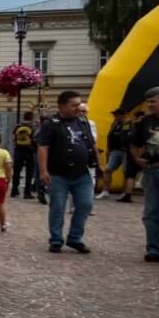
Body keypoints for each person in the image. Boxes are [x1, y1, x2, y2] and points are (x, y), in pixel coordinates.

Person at [38, 89, 102, 254]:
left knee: (86, 204)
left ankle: (75, 238)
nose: (77, 108)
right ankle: (56, 240)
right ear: (62, 106)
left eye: (78, 104)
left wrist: (99, 164)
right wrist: (43, 170)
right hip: (58, 174)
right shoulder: (50, 124)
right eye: (74, 105)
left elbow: (92, 144)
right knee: (57, 207)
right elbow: (43, 148)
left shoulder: (83, 121)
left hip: (82, 173)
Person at [130, 87, 159, 262]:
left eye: (153, 101)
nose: (149, 105)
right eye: (148, 101)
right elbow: (135, 142)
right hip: (152, 170)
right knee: (151, 212)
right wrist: (137, 158)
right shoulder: (145, 122)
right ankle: (154, 249)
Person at [96, 108, 130, 199]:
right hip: (115, 150)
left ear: (122, 115)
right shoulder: (115, 124)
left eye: (116, 115)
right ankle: (105, 191)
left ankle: (125, 192)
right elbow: (109, 137)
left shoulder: (130, 124)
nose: (114, 117)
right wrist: (108, 149)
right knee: (108, 170)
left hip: (126, 151)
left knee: (126, 172)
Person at [11, 111, 38, 198]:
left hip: (18, 150)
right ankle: (27, 192)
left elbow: (13, 138)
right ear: (32, 117)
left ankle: (14, 190)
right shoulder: (33, 127)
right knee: (29, 172)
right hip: (29, 151)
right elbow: (35, 138)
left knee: (16, 171)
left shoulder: (18, 126)